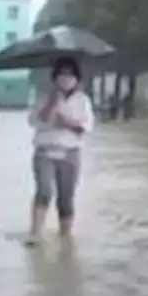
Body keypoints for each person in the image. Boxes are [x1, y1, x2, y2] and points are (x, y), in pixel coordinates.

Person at [25, 57, 95, 246]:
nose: (66, 77)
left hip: (70, 153)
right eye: (62, 74)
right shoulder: (43, 96)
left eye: (70, 74)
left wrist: (65, 121)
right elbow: (34, 121)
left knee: (66, 197)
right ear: (55, 77)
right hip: (44, 152)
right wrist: (51, 103)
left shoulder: (83, 100)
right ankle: (35, 233)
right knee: (44, 190)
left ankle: (65, 238)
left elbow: (85, 128)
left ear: (76, 78)